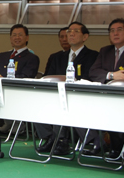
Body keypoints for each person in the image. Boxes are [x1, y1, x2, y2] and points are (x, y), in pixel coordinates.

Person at [36, 21, 99, 156]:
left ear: (85, 36)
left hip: (80, 96)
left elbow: (91, 77)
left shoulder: (93, 55)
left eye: (76, 32)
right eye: (69, 31)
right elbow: (48, 77)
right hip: (57, 94)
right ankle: (50, 138)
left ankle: (61, 140)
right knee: (37, 103)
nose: (71, 34)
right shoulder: (57, 57)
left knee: (65, 105)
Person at [0, 24, 40, 134]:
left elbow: (27, 76)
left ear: (27, 38)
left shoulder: (32, 58)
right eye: (14, 35)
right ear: (10, 38)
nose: (17, 37)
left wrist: (5, 79)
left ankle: (15, 124)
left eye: (20, 35)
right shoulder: (3, 55)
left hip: (18, 92)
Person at [89, 18, 124, 158]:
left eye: (119, 30)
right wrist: (112, 75)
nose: (115, 33)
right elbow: (94, 72)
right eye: (112, 31)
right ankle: (104, 145)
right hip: (106, 96)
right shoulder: (105, 51)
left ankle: (119, 148)